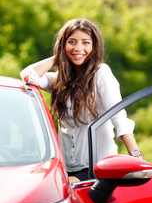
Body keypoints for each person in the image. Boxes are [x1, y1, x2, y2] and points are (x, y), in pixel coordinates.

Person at [20, 18, 143, 184]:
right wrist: (59, 57)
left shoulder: (101, 73)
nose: (78, 48)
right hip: (64, 168)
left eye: (85, 42)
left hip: (97, 169)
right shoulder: (60, 80)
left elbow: (119, 118)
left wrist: (137, 159)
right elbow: (28, 76)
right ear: (63, 45)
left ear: (94, 46)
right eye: (72, 42)